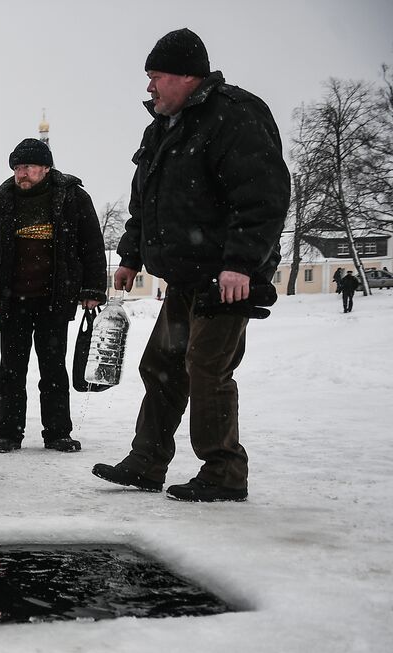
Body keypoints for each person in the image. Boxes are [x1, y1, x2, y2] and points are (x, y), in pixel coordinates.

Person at [94, 28, 290, 503]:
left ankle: (223, 470)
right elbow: (147, 200)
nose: (149, 88)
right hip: (186, 277)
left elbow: (262, 197)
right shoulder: (163, 126)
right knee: (160, 365)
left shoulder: (235, 116)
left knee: (206, 367)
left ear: (186, 76)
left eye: (155, 77)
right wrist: (130, 256)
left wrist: (241, 264)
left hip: (227, 279)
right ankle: (147, 461)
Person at [0, 139, 106, 455]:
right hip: (12, 298)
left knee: (53, 368)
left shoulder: (72, 197)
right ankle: (8, 434)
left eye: (27, 167)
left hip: (53, 299)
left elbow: (91, 245)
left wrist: (92, 289)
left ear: (46, 167)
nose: (22, 174)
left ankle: (58, 433)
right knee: (12, 371)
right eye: (17, 168)